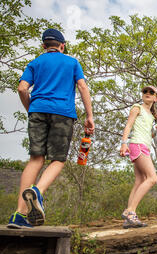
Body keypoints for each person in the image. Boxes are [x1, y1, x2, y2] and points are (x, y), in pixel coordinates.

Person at [8, 29, 95, 229]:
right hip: (62, 113)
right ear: (62, 46)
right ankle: (37, 191)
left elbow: (22, 88)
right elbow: (82, 87)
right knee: (58, 159)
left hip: (37, 111)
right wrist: (89, 116)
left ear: (43, 46)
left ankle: (19, 214)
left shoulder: (35, 62)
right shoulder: (72, 62)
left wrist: (31, 109)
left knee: (36, 159)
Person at [119, 85, 157, 228]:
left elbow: (148, 134)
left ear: (155, 98)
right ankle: (130, 211)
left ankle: (128, 218)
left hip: (144, 145)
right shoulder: (136, 107)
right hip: (137, 145)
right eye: (145, 91)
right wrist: (124, 143)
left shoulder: (151, 115)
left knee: (139, 180)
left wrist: (156, 132)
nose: (148, 94)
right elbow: (128, 126)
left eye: (151, 92)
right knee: (152, 178)